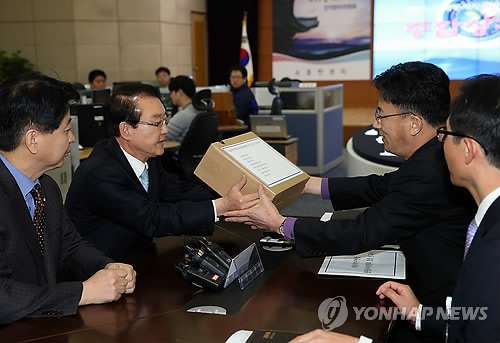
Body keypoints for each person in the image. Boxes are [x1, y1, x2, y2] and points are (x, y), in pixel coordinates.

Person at [226, 62, 476, 340]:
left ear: (414, 122)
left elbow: (362, 231)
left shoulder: (430, 171)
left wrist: (279, 223)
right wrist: (308, 184)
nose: (375, 123)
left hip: (444, 315)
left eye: (381, 114)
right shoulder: (431, 156)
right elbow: (378, 186)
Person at [290, 74, 500, 343]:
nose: (439, 143)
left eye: (445, 134)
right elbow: (477, 322)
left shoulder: (493, 251)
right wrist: (419, 313)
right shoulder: (489, 222)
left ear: (469, 150)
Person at [0, 72, 136, 325]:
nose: (72, 138)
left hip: (43, 327)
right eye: (65, 130)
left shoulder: (46, 188)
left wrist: (107, 268)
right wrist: (83, 292)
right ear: (33, 139)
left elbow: (69, 246)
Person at [65, 83, 258, 259]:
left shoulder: (149, 158)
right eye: (157, 123)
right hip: (102, 270)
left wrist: (234, 196)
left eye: (165, 120)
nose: (165, 130)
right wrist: (221, 206)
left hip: (141, 257)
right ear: (126, 130)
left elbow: (179, 191)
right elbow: (152, 218)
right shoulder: (100, 172)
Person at [165, 75, 201, 144]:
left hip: (177, 153)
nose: (171, 96)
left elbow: (163, 137)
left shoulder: (183, 115)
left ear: (179, 92)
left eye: (172, 92)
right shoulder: (200, 110)